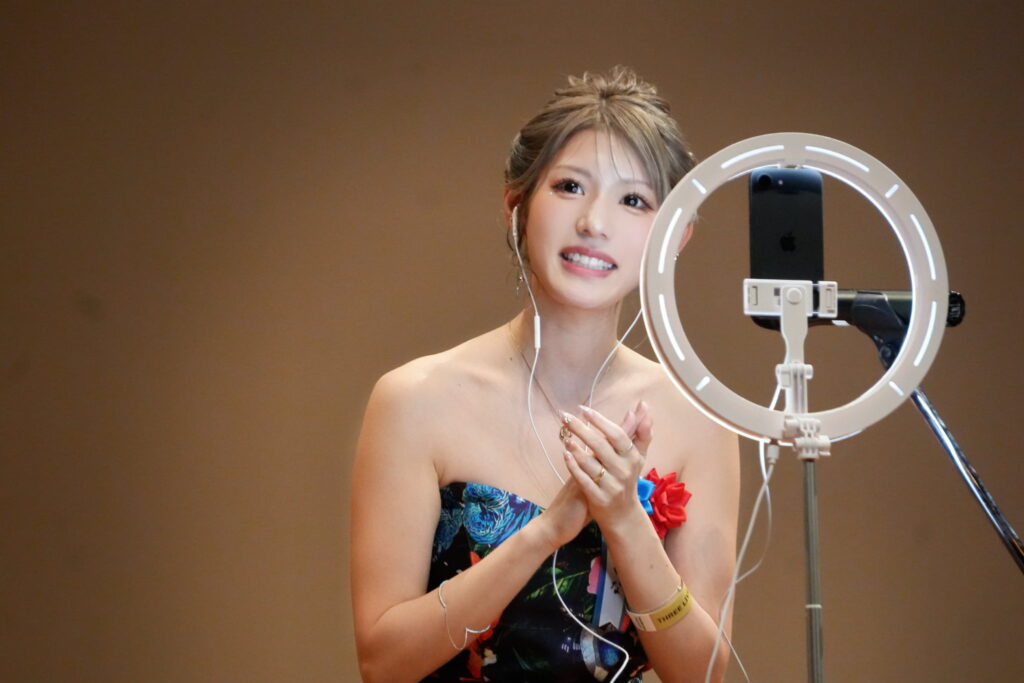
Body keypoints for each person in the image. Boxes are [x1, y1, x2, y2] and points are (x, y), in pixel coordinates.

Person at [351, 66, 740, 683]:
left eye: (633, 200)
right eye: (569, 187)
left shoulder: (699, 420)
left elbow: (703, 675)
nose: (594, 223)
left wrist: (624, 520)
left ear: (674, 238)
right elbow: (383, 663)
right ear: (517, 206)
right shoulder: (414, 400)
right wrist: (545, 533)